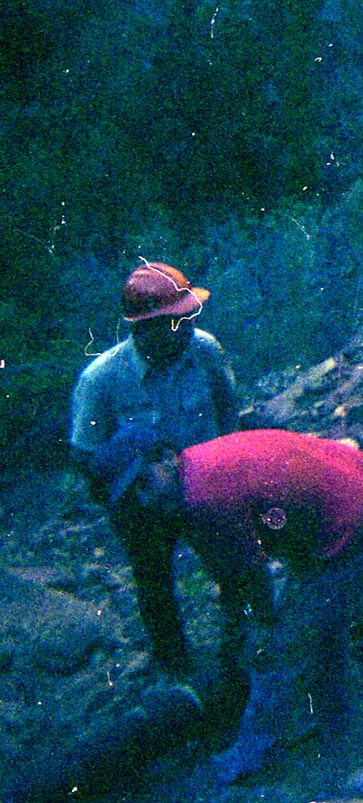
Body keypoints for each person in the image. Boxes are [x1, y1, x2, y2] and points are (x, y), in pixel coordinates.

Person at [126, 429, 363, 783]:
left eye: (147, 483)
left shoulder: (203, 495)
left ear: (165, 458)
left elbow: (251, 577)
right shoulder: (194, 467)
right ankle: (327, 718)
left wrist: (261, 631)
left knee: (283, 647)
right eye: (137, 494)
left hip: (353, 523)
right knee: (320, 626)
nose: (146, 500)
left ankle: (256, 750)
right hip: (349, 500)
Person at [70, 262, 238, 677]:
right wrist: (125, 496)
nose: (186, 325)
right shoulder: (101, 380)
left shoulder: (205, 351)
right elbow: (84, 454)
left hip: (206, 481)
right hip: (143, 497)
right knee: (155, 583)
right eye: (175, 320)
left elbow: (228, 409)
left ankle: (243, 651)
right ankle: (175, 670)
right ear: (144, 328)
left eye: (186, 317)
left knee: (234, 565)